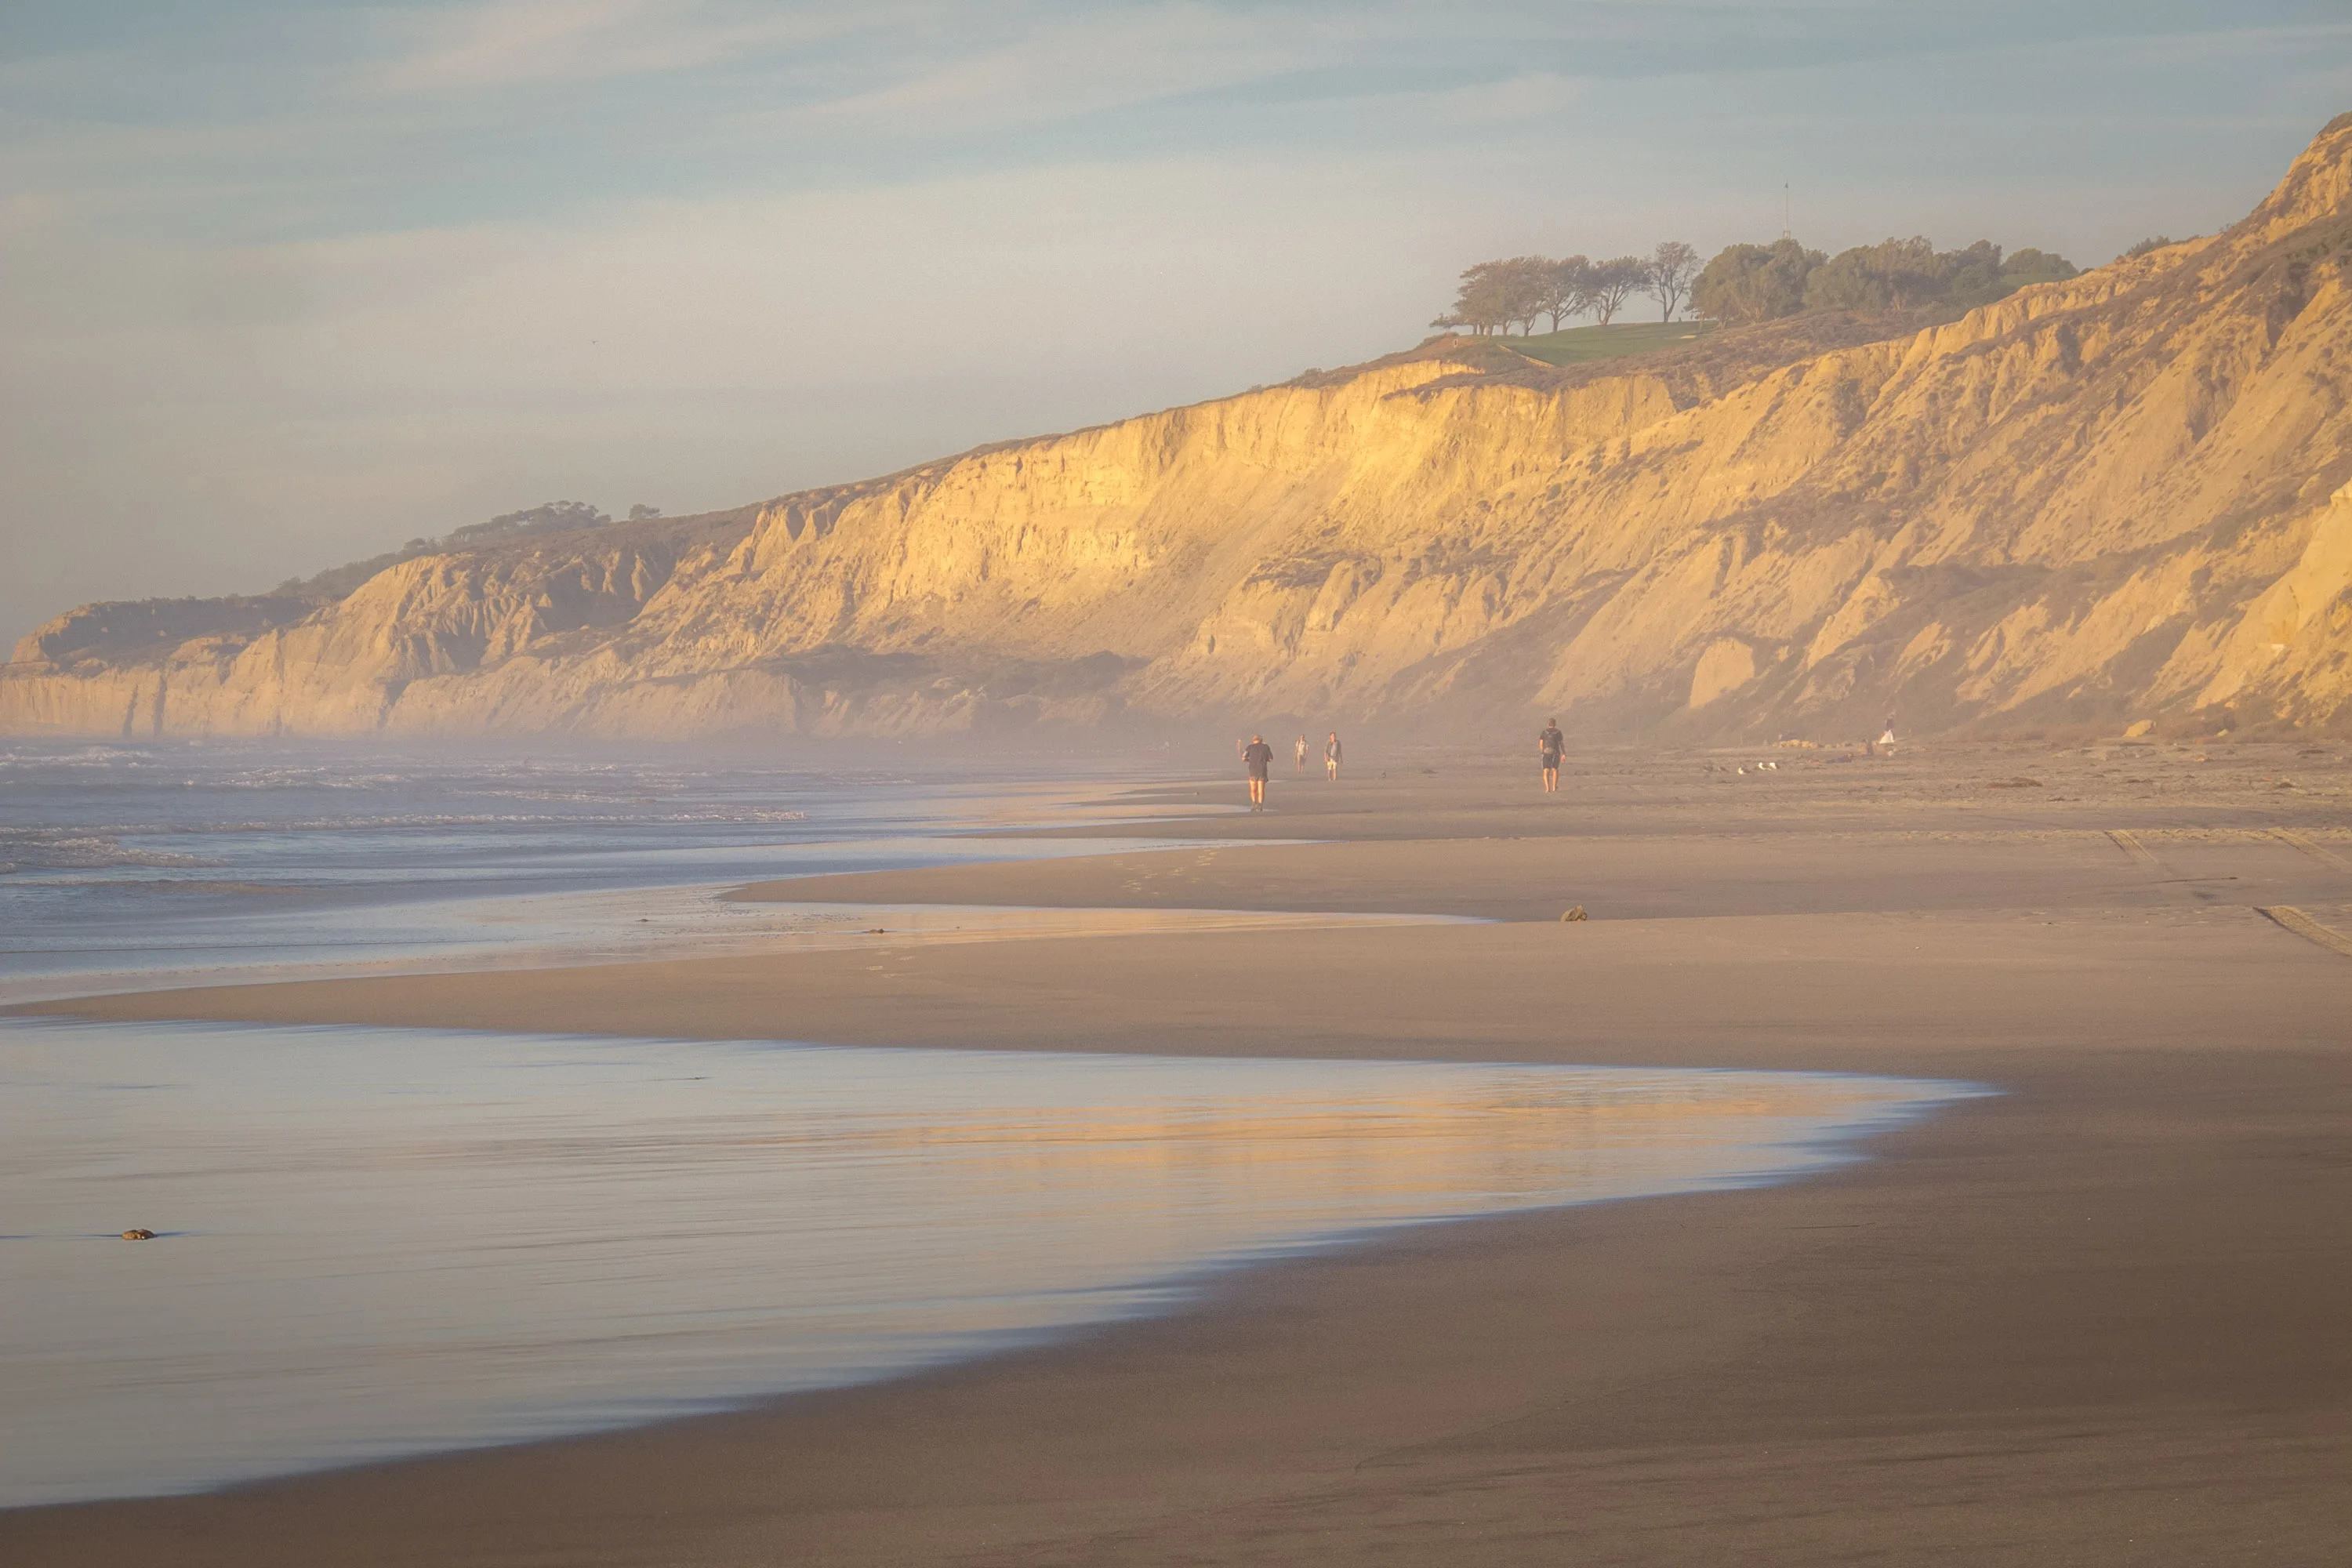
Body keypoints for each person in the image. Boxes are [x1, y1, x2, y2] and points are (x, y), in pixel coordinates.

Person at [1242, 734, 1276, 810]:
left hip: (1253, 770)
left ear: (1253, 740)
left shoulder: (1249, 747)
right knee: (1261, 790)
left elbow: (1243, 758)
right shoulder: (1266, 747)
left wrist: (1250, 760)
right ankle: (1260, 805)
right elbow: (1271, 759)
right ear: (1261, 740)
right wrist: (1264, 760)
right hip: (1262, 770)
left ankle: (1254, 803)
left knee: (1253, 789)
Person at [1537, 718, 1565, 793]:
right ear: (1555, 724)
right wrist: (1564, 753)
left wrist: (1542, 752)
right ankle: (1554, 787)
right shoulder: (1558, 732)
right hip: (1555, 752)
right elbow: (1561, 744)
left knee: (1546, 770)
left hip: (1546, 752)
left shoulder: (1544, 732)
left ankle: (1547, 788)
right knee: (1555, 769)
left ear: (1548, 724)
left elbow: (1541, 744)